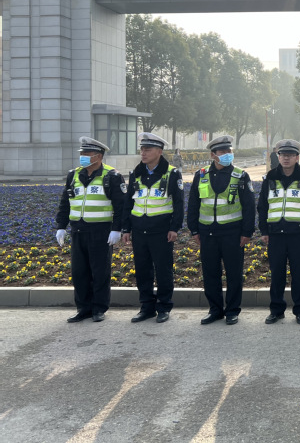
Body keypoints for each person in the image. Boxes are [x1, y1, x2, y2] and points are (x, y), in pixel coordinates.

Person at [55, 137, 126, 323]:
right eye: (81, 153)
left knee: (100, 271)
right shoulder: (73, 175)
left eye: (87, 154)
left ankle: (99, 308)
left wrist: (116, 229)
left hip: (101, 231)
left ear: (99, 156)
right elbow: (65, 203)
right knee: (79, 272)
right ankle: (83, 308)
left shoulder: (112, 176)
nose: (83, 157)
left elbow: (121, 206)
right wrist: (61, 226)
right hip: (78, 230)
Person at [187, 135, 255, 326]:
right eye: (223, 152)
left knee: (234, 274)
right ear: (213, 155)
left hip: (233, 233)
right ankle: (215, 310)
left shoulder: (241, 175)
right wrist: (194, 230)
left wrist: (247, 232)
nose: (227, 154)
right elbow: (193, 203)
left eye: (229, 151)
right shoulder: (201, 175)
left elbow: (249, 206)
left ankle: (232, 311)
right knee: (210, 273)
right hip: (207, 233)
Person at [122, 133, 184, 324]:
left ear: (159, 152)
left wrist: (174, 228)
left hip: (161, 231)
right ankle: (147, 307)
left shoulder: (172, 173)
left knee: (163, 271)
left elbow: (179, 204)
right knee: (142, 270)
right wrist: (126, 228)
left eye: (147, 149)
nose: (143, 153)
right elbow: (128, 203)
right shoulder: (136, 173)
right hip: (139, 230)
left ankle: (164, 307)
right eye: (142, 149)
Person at [258, 139, 300, 325]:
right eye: (283, 155)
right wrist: (264, 230)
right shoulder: (270, 178)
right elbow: (262, 206)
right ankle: (276, 310)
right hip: (275, 234)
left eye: (290, 155)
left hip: (298, 235)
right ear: (278, 156)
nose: (286, 158)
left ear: (297, 157)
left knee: (299, 275)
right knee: (276, 275)